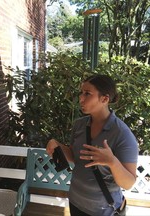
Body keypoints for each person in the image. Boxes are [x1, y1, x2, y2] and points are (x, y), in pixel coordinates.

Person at [46, 74, 138, 216]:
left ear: (104, 99)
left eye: (87, 94)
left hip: (103, 210)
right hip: (76, 201)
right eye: (81, 93)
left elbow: (128, 183)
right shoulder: (79, 125)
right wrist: (57, 145)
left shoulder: (122, 134)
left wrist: (112, 162)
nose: (81, 98)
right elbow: (76, 157)